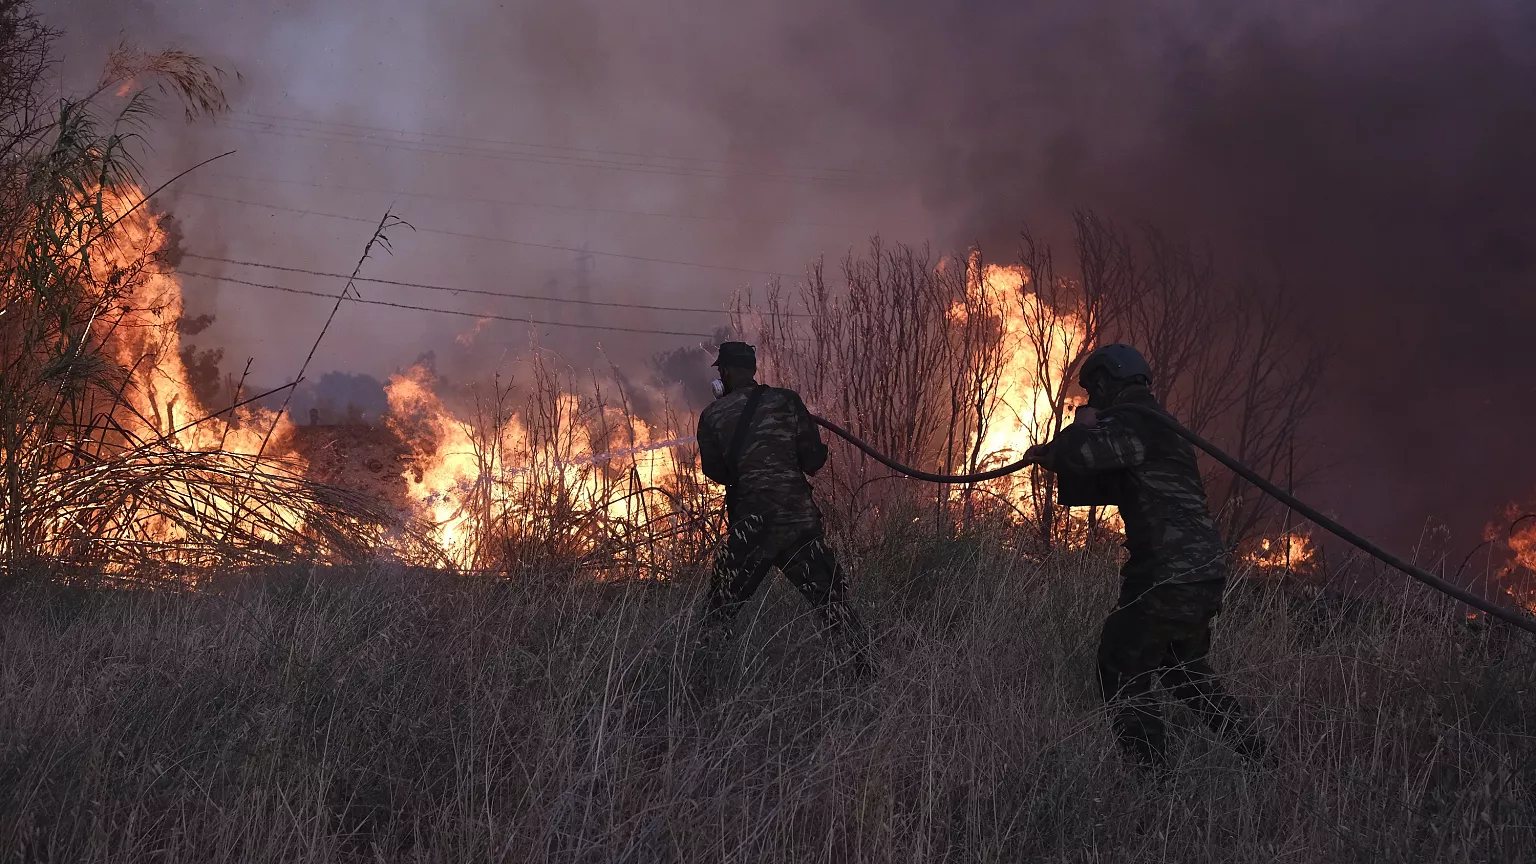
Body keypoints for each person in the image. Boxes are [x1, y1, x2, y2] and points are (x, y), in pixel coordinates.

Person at [1024, 343, 1268, 769]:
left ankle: (1153, 782)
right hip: (1202, 571)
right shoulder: (1157, 427)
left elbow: (1083, 452)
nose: (1091, 400)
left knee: (1119, 665)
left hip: (1167, 573)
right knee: (1183, 672)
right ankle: (1262, 759)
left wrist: (1079, 429)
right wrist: (1055, 460)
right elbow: (1104, 484)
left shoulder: (1133, 421)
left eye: (1092, 391)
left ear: (1107, 382)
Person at [694, 341, 871, 674]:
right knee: (833, 604)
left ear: (725, 374)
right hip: (797, 524)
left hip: (750, 528)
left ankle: (698, 681)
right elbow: (813, 461)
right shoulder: (788, 401)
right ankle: (866, 673)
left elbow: (716, 472)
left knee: (718, 612)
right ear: (753, 370)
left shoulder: (712, 415)